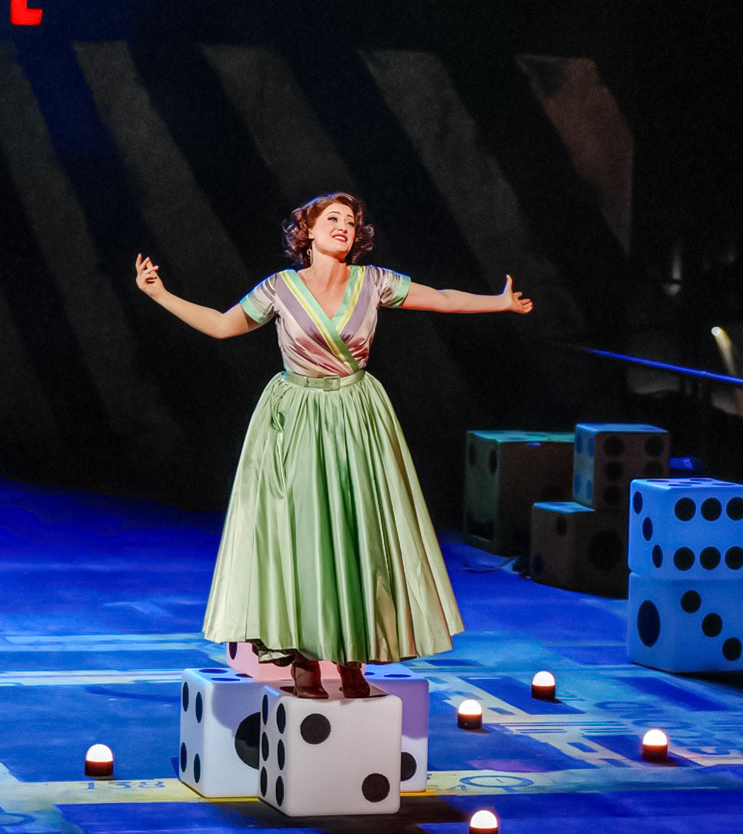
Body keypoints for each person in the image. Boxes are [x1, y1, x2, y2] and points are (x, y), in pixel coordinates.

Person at [134, 193, 532, 698]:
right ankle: (302, 656)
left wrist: (498, 302)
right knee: (302, 534)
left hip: (356, 416)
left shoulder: (374, 282)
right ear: (309, 232)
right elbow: (220, 326)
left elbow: (443, 298)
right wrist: (159, 294)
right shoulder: (280, 288)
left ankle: (352, 657)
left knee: (357, 532)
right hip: (294, 419)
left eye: (350, 221)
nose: (344, 226)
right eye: (333, 219)